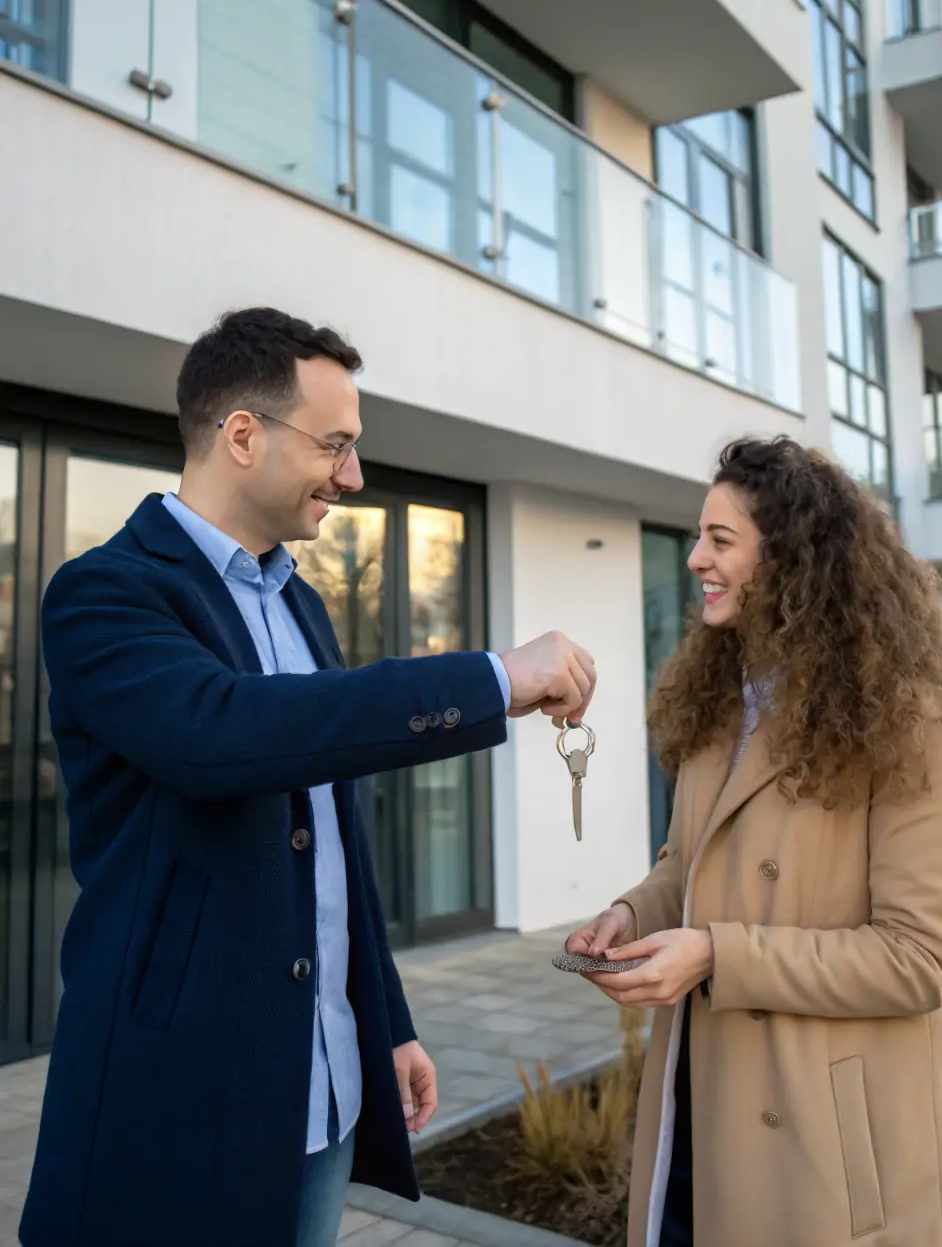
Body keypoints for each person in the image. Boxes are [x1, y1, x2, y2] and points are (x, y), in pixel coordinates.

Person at [20, 308, 597, 1247]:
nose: (354, 475)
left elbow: (332, 842)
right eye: (336, 444)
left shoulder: (299, 600)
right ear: (242, 434)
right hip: (180, 1092)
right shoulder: (106, 591)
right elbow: (220, 736)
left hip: (322, 1085)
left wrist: (388, 1022)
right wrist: (492, 677)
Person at [567, 436, 942, 1247]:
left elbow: (919, 959)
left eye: (721, 540)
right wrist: (631, 914)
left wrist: (715, 955)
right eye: (699, 536)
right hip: (701, 1099)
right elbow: (688, 866)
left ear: (794, 558)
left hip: (820, 1150)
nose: (696, 557)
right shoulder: (716, 703)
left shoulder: (908, 720)